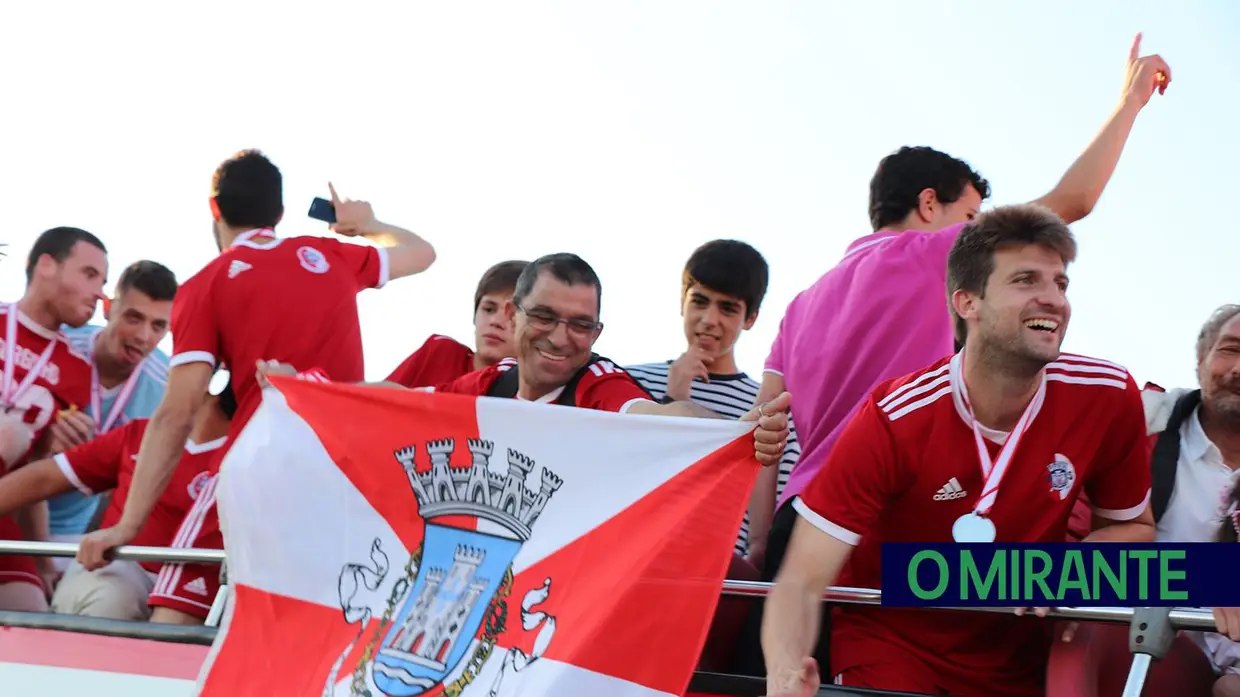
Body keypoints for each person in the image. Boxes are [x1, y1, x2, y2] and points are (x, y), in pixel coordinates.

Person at [752, 33, 1172, 581]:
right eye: (973, 216)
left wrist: (759, 546)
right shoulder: (932, 255)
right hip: (886, 523)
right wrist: (1131, 101)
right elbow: (1075, 200)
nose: (977, 233)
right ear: (930, 205)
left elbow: (762, 438)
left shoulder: (799, 305)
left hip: (798, 527)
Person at [762, 204, 1155, 697]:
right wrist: (782, 675)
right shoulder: (893, 417)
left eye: (1060, 284)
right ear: (967, 302)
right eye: (1026, 280)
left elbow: (1134, 528)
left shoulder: (1109, 393)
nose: (1052, 299)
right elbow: (800, 579)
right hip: (892, 640)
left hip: (1020, 655)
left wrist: (1072, 572)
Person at [75, 150, 437, 581]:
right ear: (279, 213)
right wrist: (368, 225)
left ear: (214, 208)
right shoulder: (330, 256)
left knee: (176, 623)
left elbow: (179, 411)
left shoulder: (205, 285)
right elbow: (422, 253)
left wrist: (127, 525)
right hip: (340, 482)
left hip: (255, 473)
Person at [263, 253, 792, 464]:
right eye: (544, 318)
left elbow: (659, 418)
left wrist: (734, 433)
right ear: (515, 316)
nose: (562, 339)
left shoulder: (597, 383)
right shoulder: (492, 381)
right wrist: (309, 390)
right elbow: (401, 401)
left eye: (582, 325)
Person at [625, 240, 800, 562]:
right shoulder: (629, 382)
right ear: (682, 301)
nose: (709, 319)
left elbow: (776, 510)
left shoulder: (767, 405)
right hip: (635, 561)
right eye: (700, 302)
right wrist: (672, 398)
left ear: (750, 318)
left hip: (725, 580)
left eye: (727, 308)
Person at [0, 385, 232, 621]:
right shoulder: (139, 434)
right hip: (121, 569)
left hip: (203, 587)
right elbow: (44, 478)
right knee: (108, 594)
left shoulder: (253, 457)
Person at [0, 227, 107, 611]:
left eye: (104, 282)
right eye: (89, 274)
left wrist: (44, 564)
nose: (98, 292)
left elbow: (33, 476)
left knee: (31, 613)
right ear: (46, 265)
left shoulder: (76, 370)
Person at [45, 260, 176, 565]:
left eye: (158, 326)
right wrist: (38, 436)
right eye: (133, 317)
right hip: (12, 515)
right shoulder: (58, 344)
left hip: (81, 537)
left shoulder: (169, 385)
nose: (144, 336)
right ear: (107, 308)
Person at [384, 259, 527, 388]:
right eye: (488, 309)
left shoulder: (534, 393)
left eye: (512, 316)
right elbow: (372, 403)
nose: (495, 322)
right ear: (474, 315)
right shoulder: (440, 352)